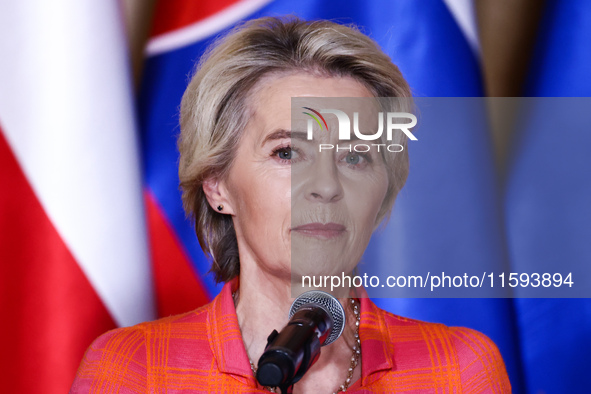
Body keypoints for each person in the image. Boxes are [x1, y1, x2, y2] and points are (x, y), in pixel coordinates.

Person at [71, 16, 511, 393]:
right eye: (287, 153)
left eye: (355, 156)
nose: (325, 186)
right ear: (217, 184)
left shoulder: (458, 369)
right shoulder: (135, 369)